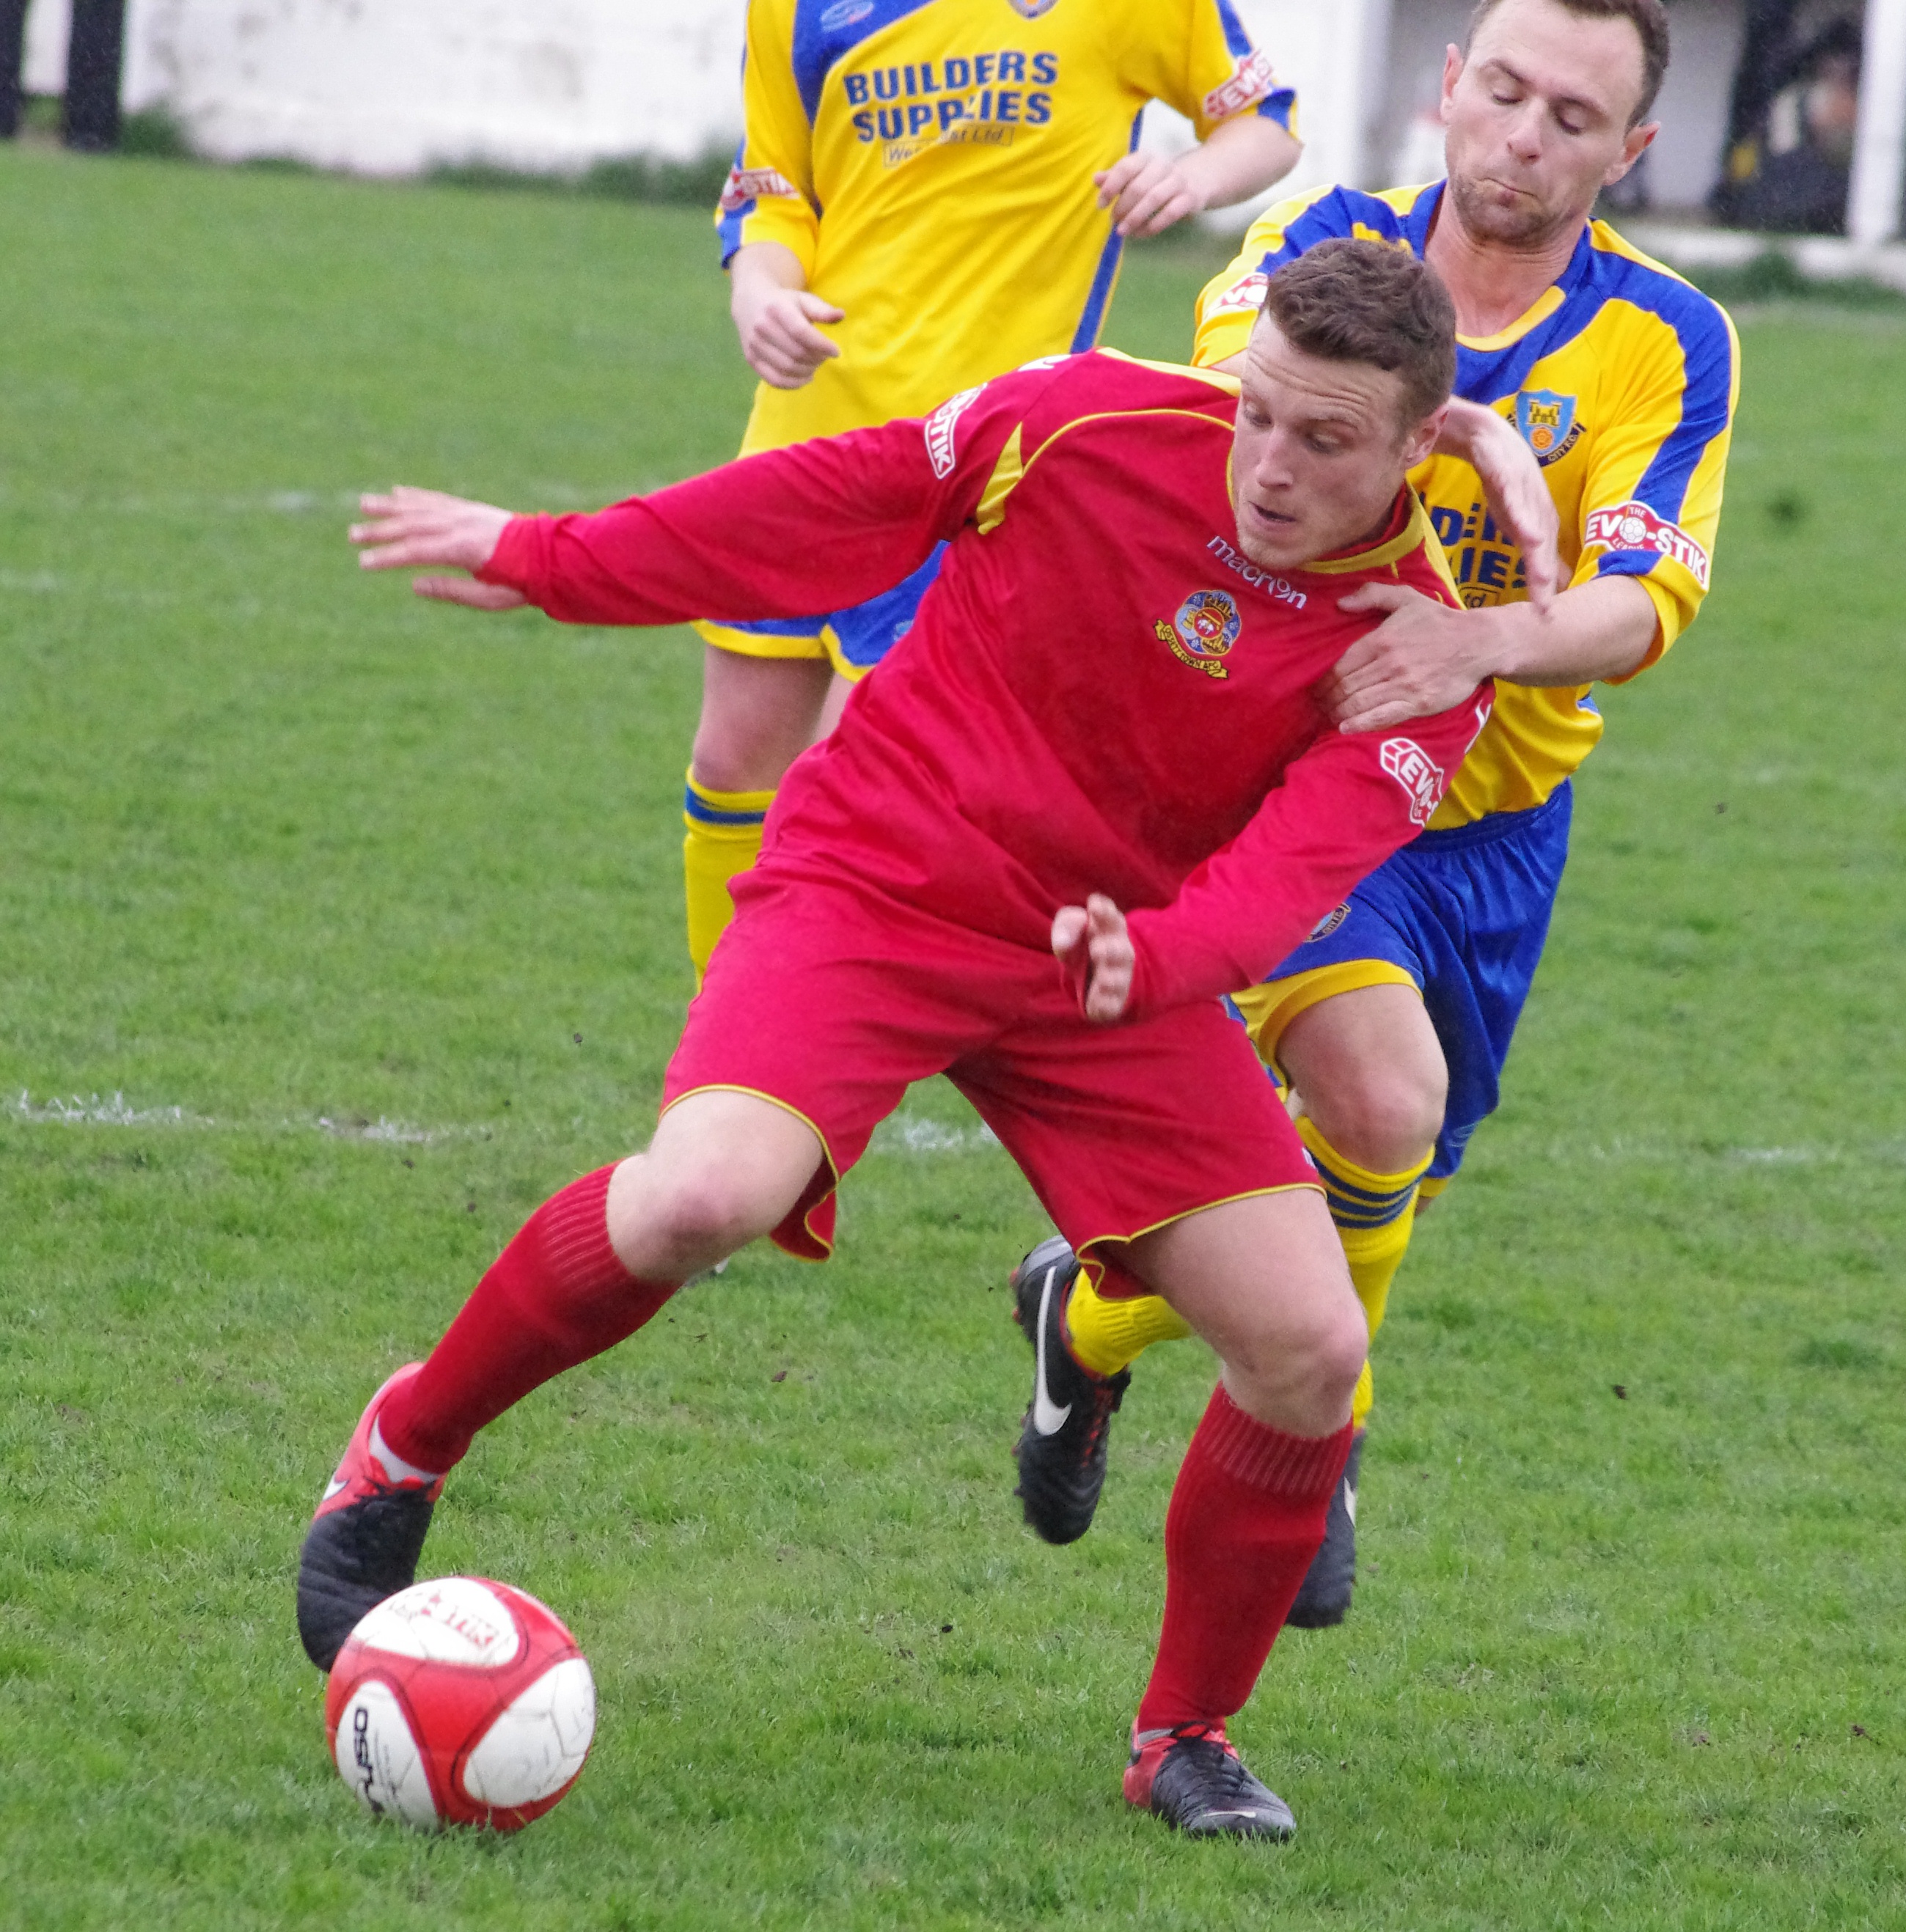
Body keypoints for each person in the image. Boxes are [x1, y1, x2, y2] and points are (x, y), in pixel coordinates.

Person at [303, 240, 1496, 1838]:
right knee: (693, 1200)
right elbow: (816, 505)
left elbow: (1281, 885)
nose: (1270, 465)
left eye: (1325, 440)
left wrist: (1151, 957)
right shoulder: (1079, 421)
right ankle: (402, 1445)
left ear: (1417, 446)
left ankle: (1184, 1735)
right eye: (1257, 415)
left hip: (1108, 973)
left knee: (1311, 1348)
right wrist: (549, 554)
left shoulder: (1417, 652)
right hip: (878, 876)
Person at [1004, 0, 1739, 1631]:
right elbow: (1226, 429)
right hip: (1306, 786)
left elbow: (1639, 602)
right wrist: (1467, 433)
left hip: (1500, 830)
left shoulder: (1668, 336)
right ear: (1446, 93)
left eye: (1572, 115)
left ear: (1627, 152)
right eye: (1502, 90)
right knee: (1379, 1095)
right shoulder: (1324, 247)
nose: (1524, 134)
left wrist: (1478, 635)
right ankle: (1320, 1432)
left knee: (1399, 1158)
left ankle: (1091, 1316)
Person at [682, 0, 1303, 981]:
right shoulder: (800, 10)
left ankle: (787, 1068)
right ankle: (723, 1067)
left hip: (985, 471)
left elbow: (1267, 122)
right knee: (732, 768)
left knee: (842, 805)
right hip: (812, 438)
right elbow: (773, 192)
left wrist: (1188, 177)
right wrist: (759, 291)